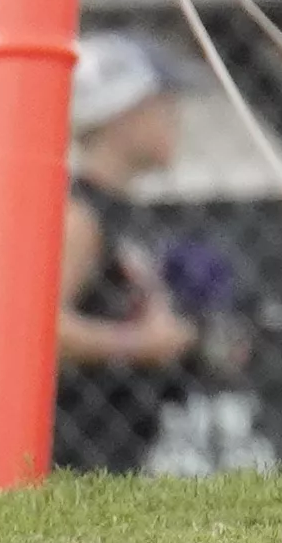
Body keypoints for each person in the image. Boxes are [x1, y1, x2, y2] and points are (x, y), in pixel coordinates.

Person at [55, 36, 201, 474]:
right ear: (123, 113)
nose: (176, 121)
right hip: (74, 453)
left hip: (116, 446)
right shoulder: (80, 217)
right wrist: (142, 344)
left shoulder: (119, 211)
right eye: (164, 107)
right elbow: (43, 328)